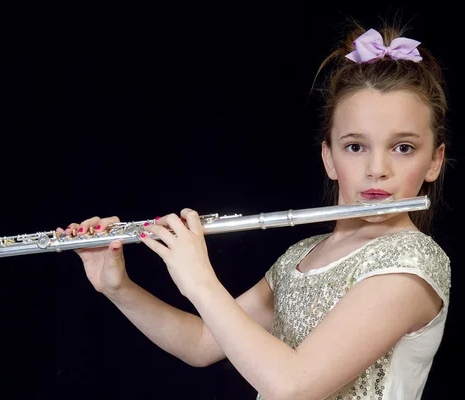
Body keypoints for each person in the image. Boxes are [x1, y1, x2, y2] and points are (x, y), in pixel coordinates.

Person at [58, 19, 451, 400]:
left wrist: (198, 280)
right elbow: (200, 343)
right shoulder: (301, 256)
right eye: (355, 146)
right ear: (329, 158)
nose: (377, 170)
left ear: (434, 161)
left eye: (403, 147)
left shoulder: (412, 264)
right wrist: (118, 288)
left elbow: (293, 387)